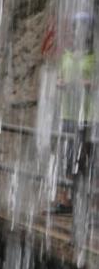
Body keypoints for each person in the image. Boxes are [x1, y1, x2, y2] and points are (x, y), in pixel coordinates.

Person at [53, 11, 96, 213]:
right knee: (66, 157)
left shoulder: (94, 56)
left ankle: (88, 203)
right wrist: (61, 84)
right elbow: (59, 79)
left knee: (87, 159)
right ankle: (65, 200)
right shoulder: (66, 56)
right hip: (67, 113)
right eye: (77, 26)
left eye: (84, 27)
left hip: (87, 116)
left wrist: (83, 84)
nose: (80, 30)